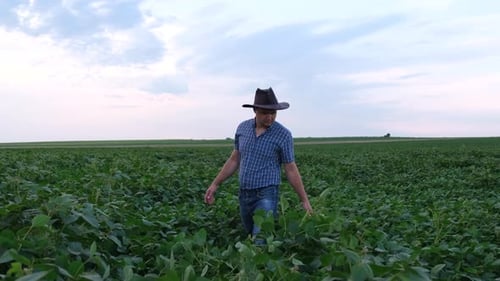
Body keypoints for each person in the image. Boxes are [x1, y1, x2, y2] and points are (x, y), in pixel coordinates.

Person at [204, 87, 313, 240]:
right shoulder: (242, 128)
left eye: (273, 113)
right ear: (255, 110)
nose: (270, 117)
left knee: (260, 239)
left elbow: (290, 169)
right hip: (244, 193)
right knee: (250, 235)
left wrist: (304, 200)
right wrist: (215, 184)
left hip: (267, 194)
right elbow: (235, 159)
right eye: (264, 113)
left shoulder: (283, 135)